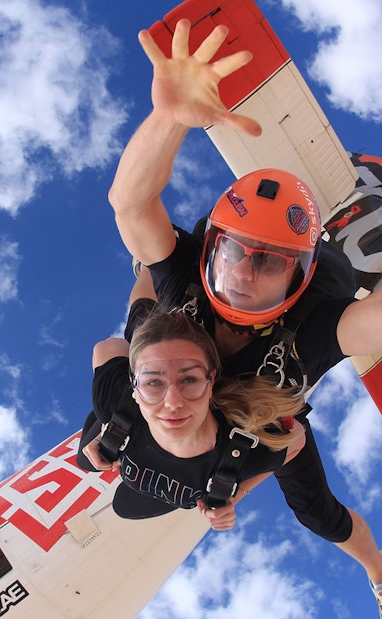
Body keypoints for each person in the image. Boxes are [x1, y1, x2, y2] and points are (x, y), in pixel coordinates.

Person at [107, 18, 382, 611]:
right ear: (214, 246)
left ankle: (378, 573)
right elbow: (130, 205)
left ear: (297, 278)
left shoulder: (314, 322)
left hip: (271, 425)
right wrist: (170, 120)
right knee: (148, 296)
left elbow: (132, 207)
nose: (239, 273)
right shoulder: (190, 272)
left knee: (319, 516)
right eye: (232, 251)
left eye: (267, 263)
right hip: (252, 426)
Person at [78, 307, 306, 530]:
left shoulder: (245, 453)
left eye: (189, 380)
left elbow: (297, 441)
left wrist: (233, 492)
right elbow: (109, 347)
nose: (173, 402)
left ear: (211, 383)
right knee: (84, 460)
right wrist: (111, 429)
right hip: (134, 419)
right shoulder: (113, 401)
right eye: (153, 382)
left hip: (170, 471)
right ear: (134, 387)